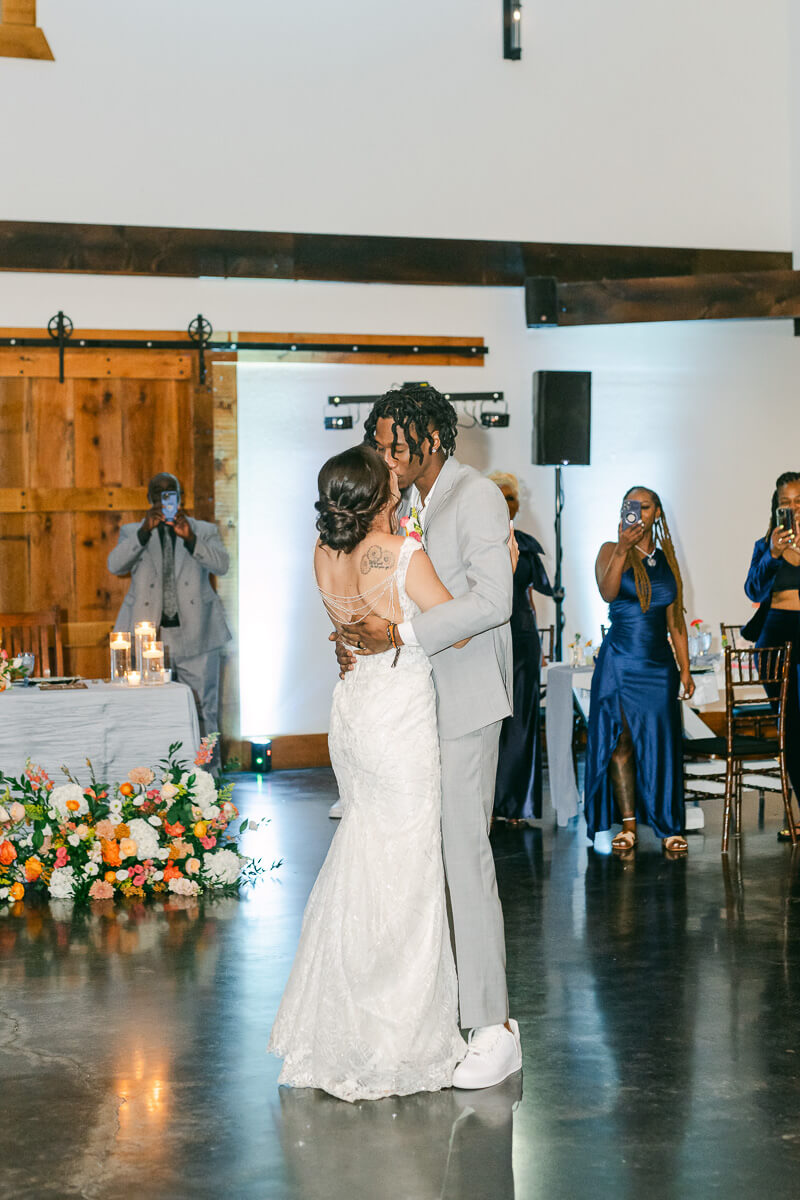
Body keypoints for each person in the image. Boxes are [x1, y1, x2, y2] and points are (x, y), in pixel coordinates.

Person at [333, 383, 522, 1091]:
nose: (384, 455)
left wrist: (401, 634)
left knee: (465, 857)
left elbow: (493, 602)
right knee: (425, 861)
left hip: (466, 697)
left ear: (432, 439)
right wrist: (362, 636)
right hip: (417, 702)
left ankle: (495, 1028)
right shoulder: (408, 501)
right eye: (379, 444)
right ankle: (451, 1011)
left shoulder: (474, 495)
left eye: (395, 443)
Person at [268, 445, 467, 1101]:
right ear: (383, 495)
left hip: (352, 714)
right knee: (407, 865)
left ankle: (338, 1025)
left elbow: (348, 624)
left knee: (360, 852)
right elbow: (455, 630)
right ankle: (399, 1035)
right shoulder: (399, 554)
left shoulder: (325, 552)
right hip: (399, 715)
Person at [583, 486, 694, 856]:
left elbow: (675, 620)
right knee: (620, 742)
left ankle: (668, 827)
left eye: (645, 507)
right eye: (630, 507)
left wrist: (686, 670)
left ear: (657, 513)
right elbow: (607, 592)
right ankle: (628, 826)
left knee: (661, 745)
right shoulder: (609, 550)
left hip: (658, 665)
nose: (638, 513)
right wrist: (621, 548)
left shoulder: (667, 561)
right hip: (618, 662)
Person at [107, 473, 231, 753]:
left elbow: (221, 565)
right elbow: (115, 565)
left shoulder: (203, 529)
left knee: (204, 710)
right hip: (148, 636)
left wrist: (191, 539)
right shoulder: (132, 531)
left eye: (170, 493)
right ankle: (155, 783)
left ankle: (208, 782)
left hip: (198, 633)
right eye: (157, 494)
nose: (164, 499)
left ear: (179, 496)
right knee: (147, 710)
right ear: (149, 499)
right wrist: (143, 532)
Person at [488, 471, 552, 824]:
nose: (506, 504)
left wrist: (539, 645)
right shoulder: (478, 541)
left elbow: (530, 594)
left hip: (524, 637)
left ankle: (517, 805)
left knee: (522, 720)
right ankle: (489, 802)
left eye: (511, 498)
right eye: (499, 496)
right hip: (488, 635)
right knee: (491, 719)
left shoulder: (526, 542)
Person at [742, 470, 800, 839]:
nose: (792, 508)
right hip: (776, 637)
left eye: (798, 501)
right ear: (776, 508)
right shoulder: (766, 545)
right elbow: (752, 589)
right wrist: (774, 554)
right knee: (791, 729)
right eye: (785, 503)